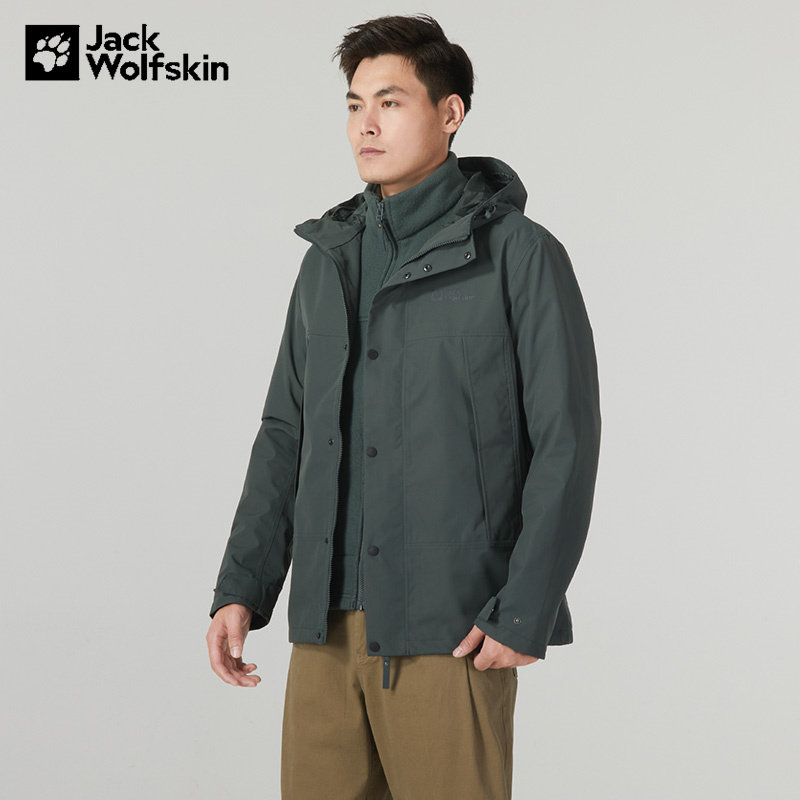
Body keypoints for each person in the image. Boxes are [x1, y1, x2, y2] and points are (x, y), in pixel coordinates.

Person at [206, 13, 601, 799]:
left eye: (389, 102)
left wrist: (525, 608)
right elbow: (285, 432)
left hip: (451, 630)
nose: (366, 124)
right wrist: (243, 585)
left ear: (450, 113)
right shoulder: (328, 262)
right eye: (355, 105)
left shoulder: (519, 256)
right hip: (324, 633)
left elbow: (566, 440)